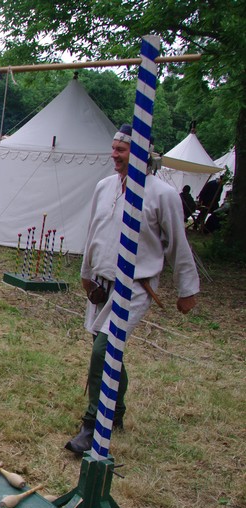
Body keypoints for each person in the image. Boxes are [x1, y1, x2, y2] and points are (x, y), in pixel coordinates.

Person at [64, 124, 199, 455]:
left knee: (103, 351)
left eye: (121, 150)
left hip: (135, 287)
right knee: (109, 351)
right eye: (113, 148)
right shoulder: (104, 187)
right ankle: (117, 412)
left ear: (139, 154)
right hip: (102, 283)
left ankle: (94, 424)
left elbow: (178, 244)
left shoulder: (163, 195)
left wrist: (187, 289)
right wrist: (86, 274)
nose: (114, 155)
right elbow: (94, 232)